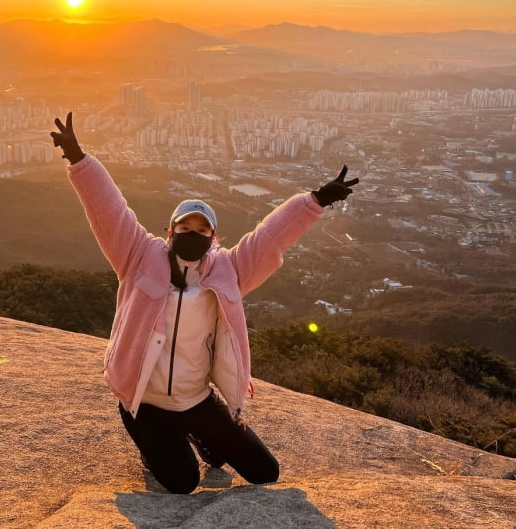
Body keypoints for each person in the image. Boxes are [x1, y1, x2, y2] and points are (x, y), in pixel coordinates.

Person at [51, 111, 359, 494]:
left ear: (214, 237)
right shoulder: (138, 255)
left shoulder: (229, 269)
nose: (192, 234)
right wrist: (79, 159)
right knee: (182, 483)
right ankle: (153, 446)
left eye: (201, 230)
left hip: (197, 400)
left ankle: (203, 437)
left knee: (265, 472)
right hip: (145, 403)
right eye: (185, 228)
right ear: (170, 231)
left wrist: (315, 201)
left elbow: (269, 238)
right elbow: (109, 211)